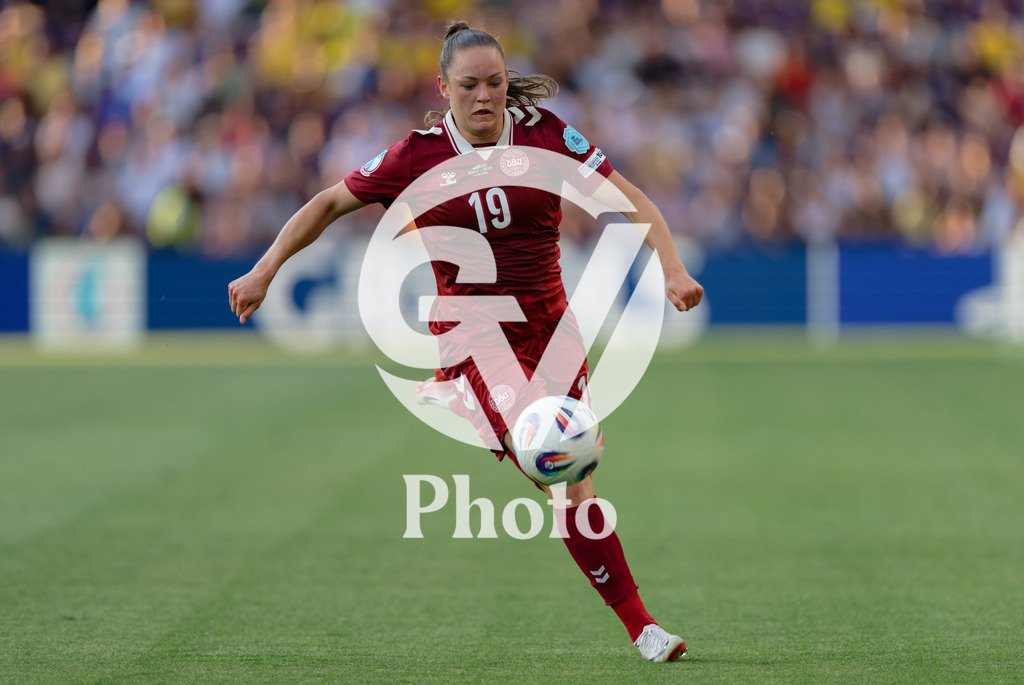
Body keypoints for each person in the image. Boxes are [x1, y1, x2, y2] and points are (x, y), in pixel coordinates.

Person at [228, 21, 703, 663]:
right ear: (444, 89)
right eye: (469, 86)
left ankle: (480, 414)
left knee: (576, 483)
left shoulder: (544, 133)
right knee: (561, 472)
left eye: (496, 84)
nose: (484, 97)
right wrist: (264, 269)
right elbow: (326, 203)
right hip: (474, 332)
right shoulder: (417, 156)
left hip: (551, 328)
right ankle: (644, 628)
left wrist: (672, 268)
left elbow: (628, 198)